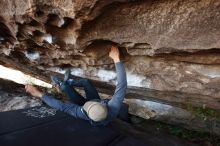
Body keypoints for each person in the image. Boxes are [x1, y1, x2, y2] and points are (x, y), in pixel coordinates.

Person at [25, 46, 127, 126]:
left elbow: (61, 106)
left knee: (66, 88)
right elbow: (121, 86)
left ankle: (61, 84)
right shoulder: (113, 109)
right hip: (96, 100)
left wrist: (39, 94)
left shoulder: (80, 113)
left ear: (86, 113)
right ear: (105, 106)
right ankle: (68, 81)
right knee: (86, 82)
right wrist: (117, 59)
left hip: (84, 104)